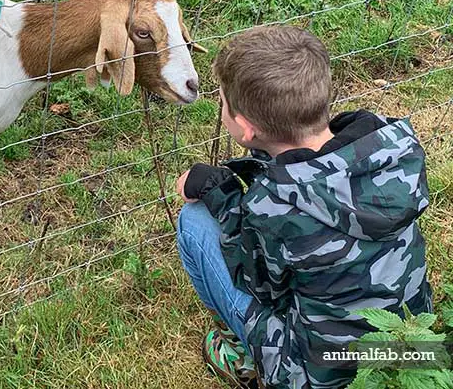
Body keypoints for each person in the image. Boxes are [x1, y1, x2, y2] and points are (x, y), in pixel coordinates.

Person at [174, 25, 432, 388]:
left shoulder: (274, 205)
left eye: (223, 103)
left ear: (246, 130)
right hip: (409, 347)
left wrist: (221, 193)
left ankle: (253, 361)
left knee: (195, 221)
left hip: (320, 375)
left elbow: (260, 287)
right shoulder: (391, 150)